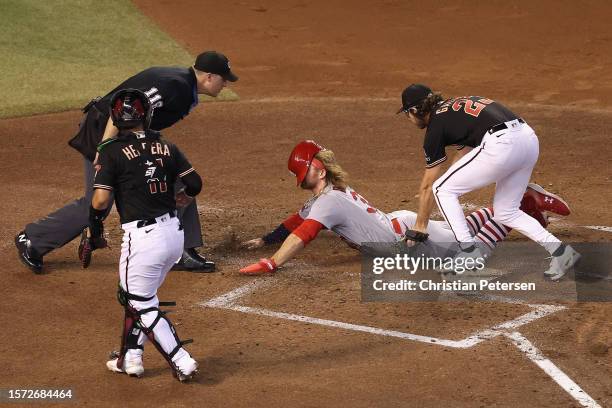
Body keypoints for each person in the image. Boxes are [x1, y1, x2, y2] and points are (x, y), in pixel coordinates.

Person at [15, 51, 238, 274]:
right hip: (105, 131)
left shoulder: (184, 84)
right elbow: (125, 106)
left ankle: (181, 251)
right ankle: (32, 239)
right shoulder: (175, 85)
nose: (226, 84)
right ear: (209, 77)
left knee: (176, 180)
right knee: (99, 200)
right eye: (224, 78)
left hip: (126, 134)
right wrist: (104, 148)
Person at [238, 140, 568, 275]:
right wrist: (266, 239)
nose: (301, 177)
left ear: (318, 171)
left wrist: (271, 262)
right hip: (401, 226)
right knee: (460, 230)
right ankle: (523, 206)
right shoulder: (329, 195)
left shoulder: (329, 201)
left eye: (303, 170)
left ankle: (521, 206)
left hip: (408, 242)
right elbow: (298, 219)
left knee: (470, 258)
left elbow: (303, 235)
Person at [396, 84, 579, 281]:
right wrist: (455, 180)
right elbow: (464, 154)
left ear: (414, 110)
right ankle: (561, 253)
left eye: (407, 114)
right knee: (506, 212)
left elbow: (428, 186)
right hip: (528, 139)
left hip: (502, 144)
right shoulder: (454, 108)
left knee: (442, 189)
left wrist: (419, 227)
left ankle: (468, 252)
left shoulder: (435, 128)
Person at [87, 89, 199, 381]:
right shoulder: (167, 146)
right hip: (174, 237)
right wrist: (181, 199)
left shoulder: (110, 151)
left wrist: (94, 227)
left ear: (115, 118)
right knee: (138, 297)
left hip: (143, 240)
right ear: (145, 115)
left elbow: (100, 201)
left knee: (139, 302)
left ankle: (181, 359)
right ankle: (131, 357)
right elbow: (195, 184)